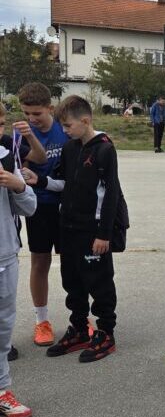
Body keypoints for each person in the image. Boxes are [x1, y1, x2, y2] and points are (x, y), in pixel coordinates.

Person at [24, 96, 126, 362]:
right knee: (72, 280)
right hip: (67, 227)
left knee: (99, 281)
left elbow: (111, 194)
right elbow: (64, 184)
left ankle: (105, 332)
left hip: (92, 230)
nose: (65, 131)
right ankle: (79, 328)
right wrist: (41, 180)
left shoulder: (104, 149)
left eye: (68, 126)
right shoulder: (71, 148)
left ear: (85, 120)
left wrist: (104, 234)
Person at [17, 82, 66, 347]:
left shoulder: (64, 128)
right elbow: (27, 163)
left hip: (66, 204)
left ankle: (80, 317)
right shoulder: (20, 135)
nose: (31, 119)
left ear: (50, 107)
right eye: (26, 113)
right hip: (37, 205)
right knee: (40, 262)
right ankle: (42, 320)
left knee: (72, 262)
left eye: (37, 113)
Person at [0, 113, 38, 417]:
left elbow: (29, 207)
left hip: (4, 257)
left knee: (2, 327)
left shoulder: (5, 159)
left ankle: (2, 390)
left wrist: (18, 186)